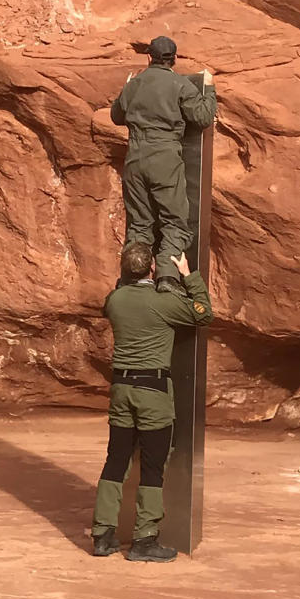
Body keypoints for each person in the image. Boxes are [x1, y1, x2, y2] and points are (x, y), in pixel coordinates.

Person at [92, 241, 214, 561]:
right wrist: (189, 277)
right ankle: (144, 539)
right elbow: (203, 314)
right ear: (152, 269)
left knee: (116, 460)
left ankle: (103, 534)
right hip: (153, 392)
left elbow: (109, 300)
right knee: (151, 465)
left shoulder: (116, 300)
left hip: (121, 389)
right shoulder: (162, 302)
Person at [111, 35, 217, 295]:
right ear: (174, 59)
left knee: (139, 223)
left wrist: (129, 87)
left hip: (135, 157)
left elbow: (116, 116)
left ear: (148, 57)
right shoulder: (179, 84)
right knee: (174, 221)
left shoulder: (134, 84)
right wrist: (210, 88)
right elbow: (202, 117)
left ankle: (130, 278)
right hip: (165, 157)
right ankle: (167, 278)